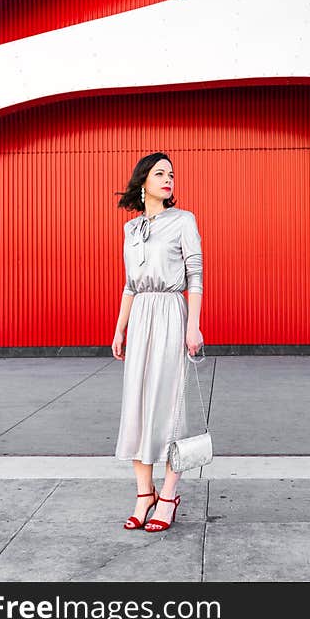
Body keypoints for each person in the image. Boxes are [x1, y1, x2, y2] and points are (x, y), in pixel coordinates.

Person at [111, 152, 204, 532]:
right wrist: (120, 329)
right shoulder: (131, 230)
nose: (168, 179)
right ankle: (143, 493)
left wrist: (193, 325)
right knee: (137, 403)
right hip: (141, 319)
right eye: (160, 173)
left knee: (168, 407)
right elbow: (131, 285)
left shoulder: (184, 221)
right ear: (143, 182)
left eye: (172, 175)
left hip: (170, 313)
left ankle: (168, 495)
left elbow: (195, 275)